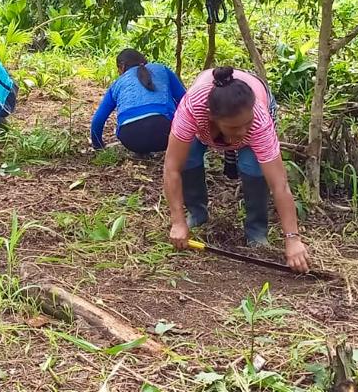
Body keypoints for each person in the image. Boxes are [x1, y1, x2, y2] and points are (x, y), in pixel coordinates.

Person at [163, 66, 312, 272]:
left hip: (255, 99)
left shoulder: (259, 120)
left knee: (253, 167)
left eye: (246, 124)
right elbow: (172, 168)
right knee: (188, 158)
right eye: (234, 128)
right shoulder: (193, 108)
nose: (242, 131)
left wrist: (292, 239)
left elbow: (279, 185)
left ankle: (256, 232)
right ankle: (197, 213)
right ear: (212, 117)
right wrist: (177, 221)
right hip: (206, 126)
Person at [89, 49, 186, 155]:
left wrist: (98, 146)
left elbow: (98, 120)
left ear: (122, 67)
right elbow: (185, 100)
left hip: (130, 138)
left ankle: (141, 152)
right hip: (165, 134)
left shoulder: (117, 84)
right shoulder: (162, 69)